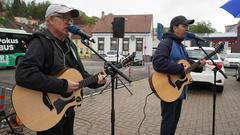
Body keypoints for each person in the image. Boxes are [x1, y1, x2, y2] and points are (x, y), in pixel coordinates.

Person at [15, 4, 107, 135]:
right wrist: (62, 85)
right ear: (51, 19)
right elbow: (23, 74)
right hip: (46, 112)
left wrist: (97, 81)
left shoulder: (71, 45)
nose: (69, 22)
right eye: (64, 18)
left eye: (70, 19)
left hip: (67, 109)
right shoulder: (41, 42)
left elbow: (81, 75)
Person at [152, 15, 206, 135]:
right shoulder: (167, 43)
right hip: (168, 88)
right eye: (184, 26)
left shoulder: (181, 46)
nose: (187, 29)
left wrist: (199, 65)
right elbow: (158, 62)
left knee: (174, 122)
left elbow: (187, 64)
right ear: (175, 28)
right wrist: (181, 68)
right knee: (168, 122)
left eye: (188, 26)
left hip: (179, 89)